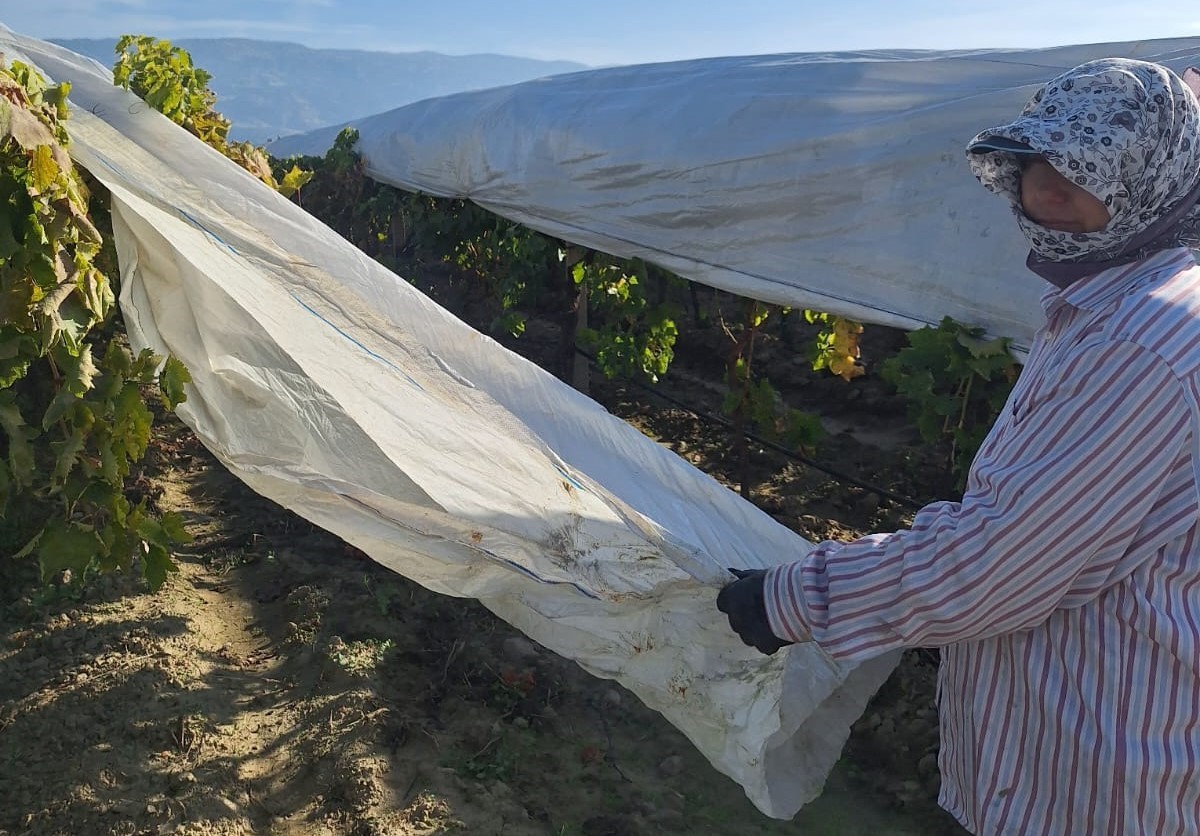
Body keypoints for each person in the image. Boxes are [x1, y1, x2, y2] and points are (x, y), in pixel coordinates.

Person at [717, 57, 1200, 836]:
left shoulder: (1142, 338)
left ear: (1159, 180)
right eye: (1038, 159)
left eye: (1088, 169)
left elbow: (996, 563)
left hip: (1084, 787)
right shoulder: (1113, 302)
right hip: (1060, 752)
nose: (1045, 187)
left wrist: (791, 598)